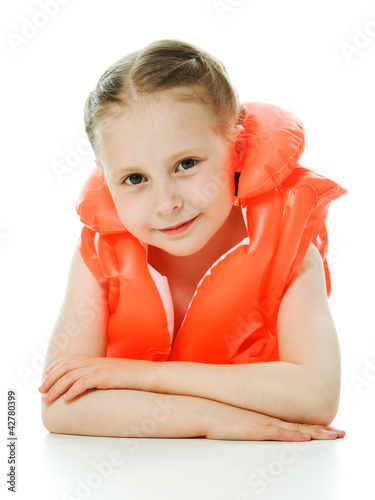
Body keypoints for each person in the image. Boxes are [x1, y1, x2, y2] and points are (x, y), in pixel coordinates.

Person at [39, 39, 346, 441]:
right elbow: (60, 405)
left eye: (186, 164)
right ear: (104, 176)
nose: (166, 204)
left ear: (237, 148)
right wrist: (213, 420)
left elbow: (315, 397)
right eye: (135, 179)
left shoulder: (287, 250)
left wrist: (141, 377)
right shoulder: (101, 254)